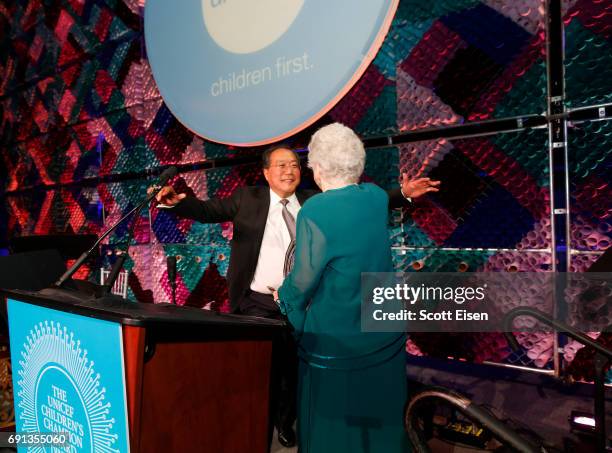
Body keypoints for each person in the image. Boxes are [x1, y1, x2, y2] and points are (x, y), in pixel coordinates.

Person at [154, 142, 439, 448]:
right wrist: (176, 203)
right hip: (257, 303)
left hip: (304, 303)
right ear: (266, 173)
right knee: (262, 369)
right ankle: (254, 424)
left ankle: (285, 422)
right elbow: (207, 210)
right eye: (281, 165)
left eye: (294, 165)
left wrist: (404, 193)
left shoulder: (315, 200)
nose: (290, 171)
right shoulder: (247, 199)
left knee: (293, 369)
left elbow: (362, 202)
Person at [275, 123, 410, 452]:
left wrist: (284, 298)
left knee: (334, 428)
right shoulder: (376, 197)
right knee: (383, 415)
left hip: (338, 337)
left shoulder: (315, 210)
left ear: (318, 167)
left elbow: (305, 277)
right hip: (383, 326)